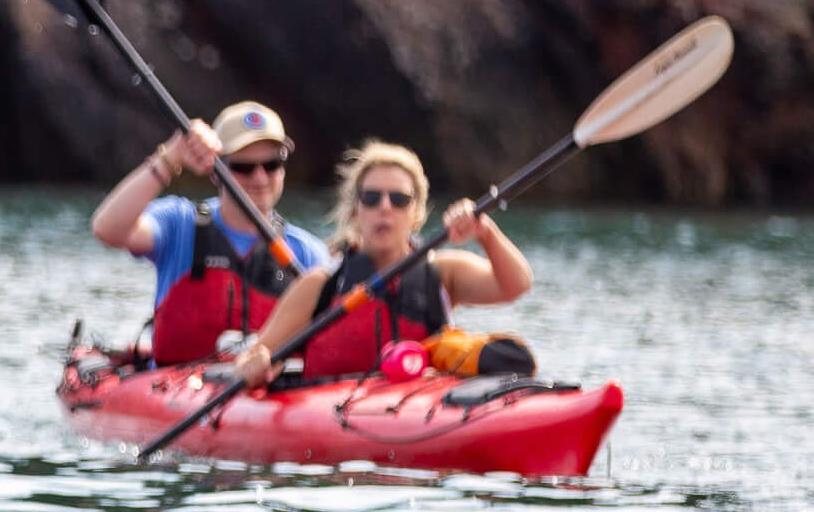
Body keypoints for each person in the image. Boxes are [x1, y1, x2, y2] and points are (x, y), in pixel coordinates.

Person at [227, 138, 532, 385]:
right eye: (372, 198)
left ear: (415, 213)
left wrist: (485, 232)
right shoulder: (320, 285)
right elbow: (258, 352)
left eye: (399, 200)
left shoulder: (443, 273)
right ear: (356, 211)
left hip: (417, 413)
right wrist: (256, 364)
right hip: (329, 424)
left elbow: (517, 285)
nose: (384, 208)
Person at [90, 101, 330, 364]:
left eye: (272, 164)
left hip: (268, 392)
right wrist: (171, 157)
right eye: (243, 167)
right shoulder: (178, 223)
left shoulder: (307, 251)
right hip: (176, 389)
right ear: (217, 172)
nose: (260, 178)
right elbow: (107, 229)